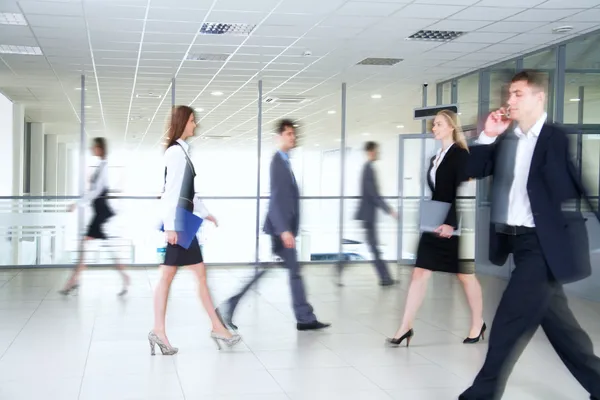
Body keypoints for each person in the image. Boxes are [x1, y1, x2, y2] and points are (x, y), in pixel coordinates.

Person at [459, 70, 600, 399]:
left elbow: (565, 187)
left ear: (539, 97)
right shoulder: (507, 139)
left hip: (543, 247)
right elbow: (472, 170)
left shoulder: (555, 138)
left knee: (509, 320)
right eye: (509, 94)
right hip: (520, 244)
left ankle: (481, 394)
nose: (510, 101)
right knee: (564, 331)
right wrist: (489, 136)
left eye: (518, 94)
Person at [216, 119, 330, 332]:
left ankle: (303, 316)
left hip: (282, 228)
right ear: (278, 137)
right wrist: (284, 230)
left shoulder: (284, 161)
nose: (292, 137)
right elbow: (276, 198)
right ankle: (303, 317)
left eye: (293, 134)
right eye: (288, 134)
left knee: (282, 270)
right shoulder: (278, 162)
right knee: (290, 271)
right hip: (281, 229)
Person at [386, 110, 485, 347]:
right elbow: (438, 192)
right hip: (434, 223)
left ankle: (477, 323)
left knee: (466, 276)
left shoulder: (461, 155)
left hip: (452, 224)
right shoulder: (435, 158)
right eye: (434, 125)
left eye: (438, 124)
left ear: (451, 127)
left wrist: (451, 222)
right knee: (419, 272)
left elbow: (463, 191)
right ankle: (405, 327)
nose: (434, 128)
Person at [148, 105, 241, 355]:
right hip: (179, 224)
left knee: (192, 275)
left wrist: (205, 211)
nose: (195, 124)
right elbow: (170, 192)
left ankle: (214, 328)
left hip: (184, 221)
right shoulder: (176, 153)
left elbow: (189, 191)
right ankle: (168, 330)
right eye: (192, 120)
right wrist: (170, 227)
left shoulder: (182, 152)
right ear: (182, 122)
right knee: (173, 277)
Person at [59, 137, 130, 296]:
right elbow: (93, 190)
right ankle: (124, 278)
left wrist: (77, 204)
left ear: (100, 148)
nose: (92, 149)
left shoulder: (104, 167)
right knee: (96, 248)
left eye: (94, 147)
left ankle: (72, 282)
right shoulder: (101, 165)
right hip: (100, 213)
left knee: (86, 247)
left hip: (101, 214)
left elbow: (96, 191)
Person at [355, 141, 398, 286]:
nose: (378, 153)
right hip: (368, 215)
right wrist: (388, 209)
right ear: (371, 151)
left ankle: (385, 277)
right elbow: (373, 194)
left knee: (373, 246)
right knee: (373, 246)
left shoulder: (368, 168)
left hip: (368, 214)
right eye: (376, 150)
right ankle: (385, 277)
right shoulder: (368, 169)